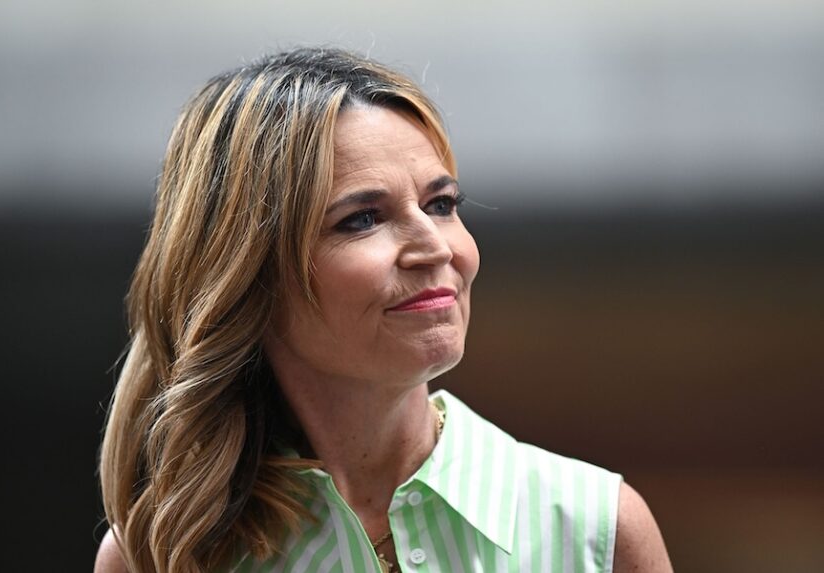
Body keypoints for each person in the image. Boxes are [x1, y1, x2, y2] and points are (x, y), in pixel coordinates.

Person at [96, 47, 671, 573]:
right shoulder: (159, 553)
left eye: (441, 204)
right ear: (248, 274)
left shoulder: (597, 530)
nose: (437, 247)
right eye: (362, 218)